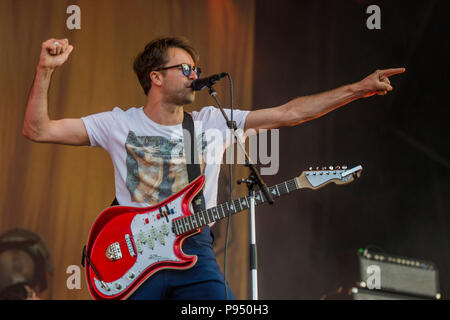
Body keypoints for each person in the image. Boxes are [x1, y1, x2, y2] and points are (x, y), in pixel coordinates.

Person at [22, 36, 404, 299]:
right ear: (156, 77)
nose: (195, 75)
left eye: (196, 68)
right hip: (133, 253)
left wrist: (357, 89)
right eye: (185, 68)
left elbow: (290, 113)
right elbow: (37, 129)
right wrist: (45, 69)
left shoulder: (210, 121)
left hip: (194, 247)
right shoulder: (118, 124)